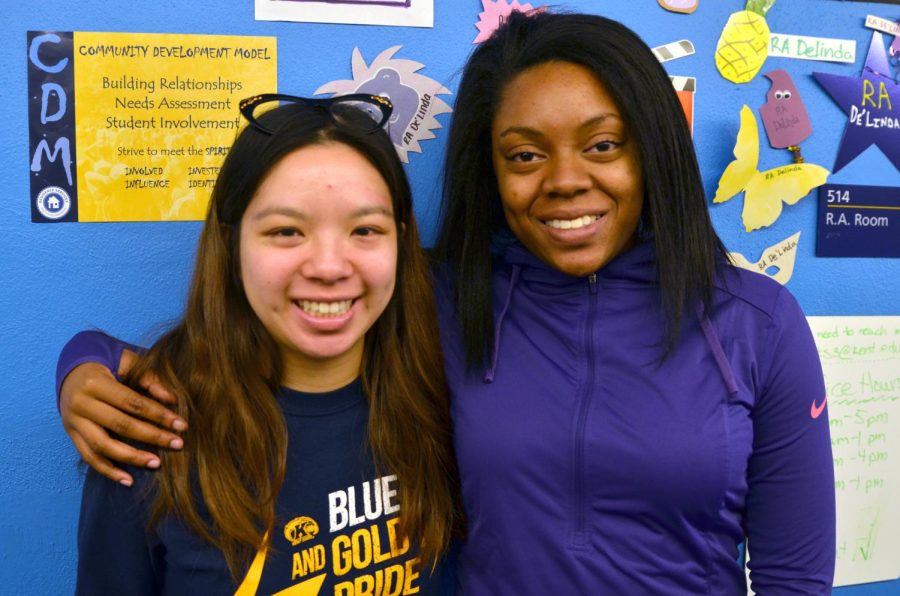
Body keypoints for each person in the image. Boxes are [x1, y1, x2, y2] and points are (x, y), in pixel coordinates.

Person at [57, 11, 835, 594]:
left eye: (603, 144)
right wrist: (86, 363)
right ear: (489, 172)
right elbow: (304, 297)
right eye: (524, 155)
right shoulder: (443, 298)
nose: (565, 179)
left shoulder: (757, 324)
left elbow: (794, 578)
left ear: (653, 149)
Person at [69, 94, 462, 595]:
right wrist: (83, 357)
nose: (328, 266)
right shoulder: (145, 433)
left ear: (400, 243)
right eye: (286, 231)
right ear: (231, 244)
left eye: (365, 229)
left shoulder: (449, 400)